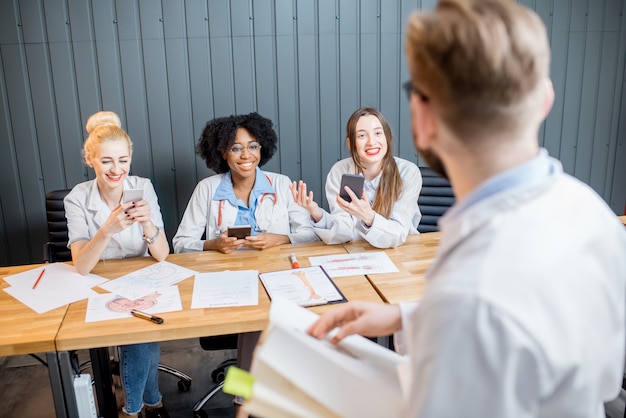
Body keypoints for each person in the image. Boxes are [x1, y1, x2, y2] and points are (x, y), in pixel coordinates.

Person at [306, 1, 626, 417]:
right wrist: (404, 316)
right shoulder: (594, 214)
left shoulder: (474, 285)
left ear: (421, 119)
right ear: (545, 97)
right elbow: (555, 341)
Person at [172, 112, 318, 412]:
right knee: (257, 325)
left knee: (266, 322)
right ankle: (248, 401)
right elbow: (180, 244)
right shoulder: (207, 190)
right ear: (222, 152)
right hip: (225, 282)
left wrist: (280, 239)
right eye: (236, 148)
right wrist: (212, 244)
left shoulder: (281, 184)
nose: (246, 155)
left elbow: (309, 234)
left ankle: (247, 401)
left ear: (262, 148)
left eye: (253, 146)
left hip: (276, 277)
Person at [64, 111, 171, 418]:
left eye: (123, 160)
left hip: (145, 277)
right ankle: (139, 408)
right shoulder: (77, 198)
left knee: (144, 340)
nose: (116, 169)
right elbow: (82, 266)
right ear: (90, 159)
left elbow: (162, 254)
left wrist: (148, 224)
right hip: (99, 283)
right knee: (141, 341)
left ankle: (148, 403)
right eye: (106, 160)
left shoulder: (143, 187)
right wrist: (107, 229)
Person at [290, 106, 422, 248]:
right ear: (350, 143)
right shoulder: (339, 171)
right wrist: (316, 213)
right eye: (361, 135)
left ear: (387, 136)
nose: (371, 142)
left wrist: (368, 216)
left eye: (378, 133)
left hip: (402, 251)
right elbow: (344, 232)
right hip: (357, 252)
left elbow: (397, 234)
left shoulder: (408, 172)